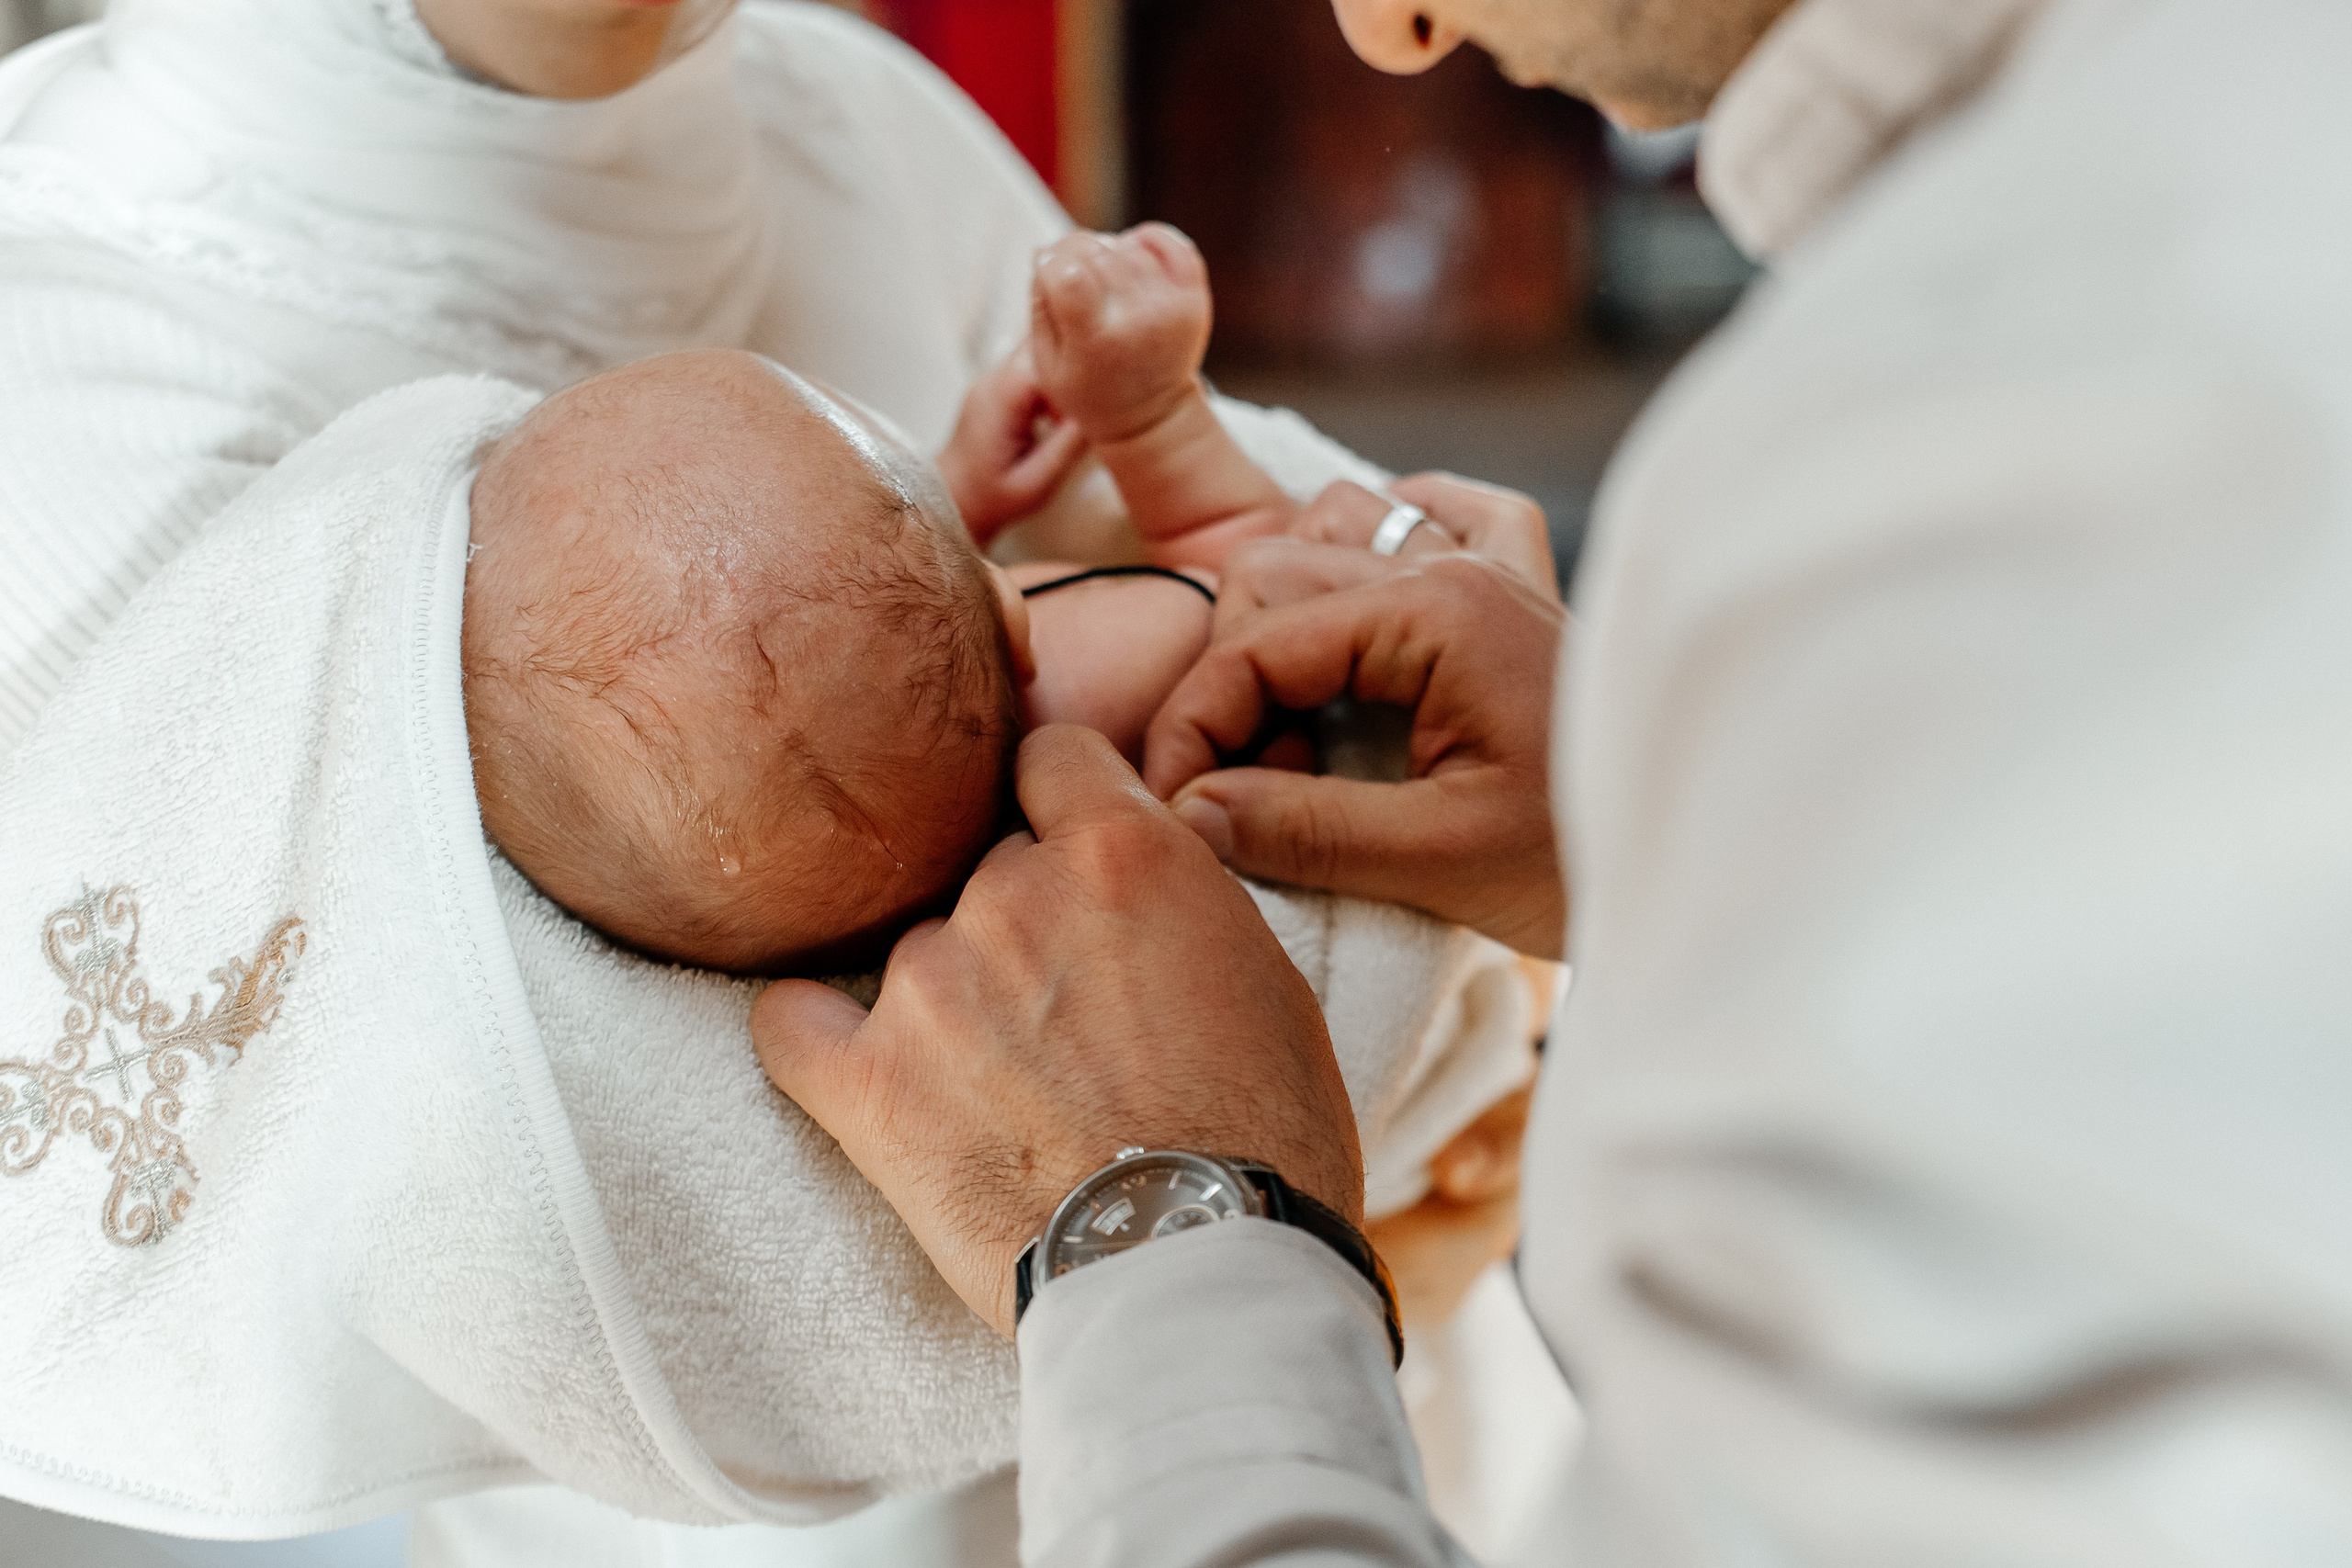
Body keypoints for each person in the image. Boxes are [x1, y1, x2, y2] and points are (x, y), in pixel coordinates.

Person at [752, 0, 2352, 1561]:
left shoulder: (2069, 401)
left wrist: (1163, 1232)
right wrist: (1682, 837)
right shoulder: (2128, 269)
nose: (1387, 36)